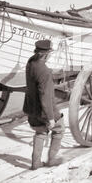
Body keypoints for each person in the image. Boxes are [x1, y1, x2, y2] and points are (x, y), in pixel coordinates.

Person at [23, 39, 65, 170]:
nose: (50, 55)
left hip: (31, 108)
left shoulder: (30, 62)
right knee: (59, 129)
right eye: (50, 53)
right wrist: (51, 118)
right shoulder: (45, 72)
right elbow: (45, 97)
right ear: (45, 54)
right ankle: (51, 160)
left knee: (40, 132)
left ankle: (35, 163)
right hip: (44, 110)